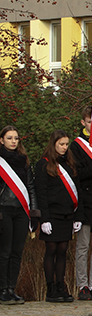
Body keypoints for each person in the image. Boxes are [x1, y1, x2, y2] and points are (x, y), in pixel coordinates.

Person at [34, 129, 81, 303]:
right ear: (53, 144)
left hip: (67, 214)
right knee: (51, 249)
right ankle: (51, 288)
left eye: (66, 144)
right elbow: (41, 193)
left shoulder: (69, 163)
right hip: (51, 215)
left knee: (63, 250)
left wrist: (78, 217)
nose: (64, 147)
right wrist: (43, 219)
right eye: (61, 144)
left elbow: (77, 191)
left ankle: (61, 285)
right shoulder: (43, 164)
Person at [70, 106, 92, 301]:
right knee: (83, 246)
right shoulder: (76, 146)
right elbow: (78, 174)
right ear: (83, 122)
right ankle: (82, 284)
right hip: (85, 200)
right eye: (89, 121)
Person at [0, 126, 37, 304]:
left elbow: (30, 187)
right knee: (4, 252)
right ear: (1, 140)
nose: (14, 141)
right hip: (4, 210)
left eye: (16, 138)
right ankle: (2, 289)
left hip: (21, 211)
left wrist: (34, 212)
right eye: (9, 138)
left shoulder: (23, 160)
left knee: (17, 252)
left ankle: (11, 288)